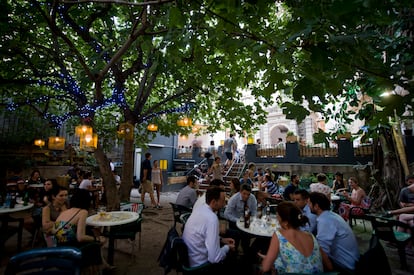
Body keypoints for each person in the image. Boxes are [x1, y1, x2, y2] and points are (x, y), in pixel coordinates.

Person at [259, 201, 331, 274]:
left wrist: (267, 260)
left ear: (286, 221)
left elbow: (266, 267)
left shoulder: (279, 234)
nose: (277, 219)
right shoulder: (310, 236)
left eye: (278, 216)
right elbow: (328, 264)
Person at [54, 189, 112, 271]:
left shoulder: (65, 212)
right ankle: (98, 268)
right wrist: (97, 239)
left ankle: (103, 264)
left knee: (91, 232)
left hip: (59, 248)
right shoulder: (82, 212)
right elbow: (80, 237)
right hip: (72, 250)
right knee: (97, 240)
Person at [182, 186, 236, 270]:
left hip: (190, 258)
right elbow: (215, 258)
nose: (224, 204)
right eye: (222, 202)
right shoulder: (212, 218)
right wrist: (228, 247)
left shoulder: (200, 209)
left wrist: (221, 240)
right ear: (214, 202)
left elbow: (202, 235)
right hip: (200, 266)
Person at [308, 192, 360, 272]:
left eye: (309, 204)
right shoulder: (330, 215)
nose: (308, 206)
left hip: (345, 266)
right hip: (351, 260)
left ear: (316, 206)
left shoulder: (325, 220)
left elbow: (323, 251)